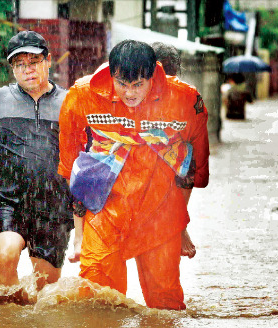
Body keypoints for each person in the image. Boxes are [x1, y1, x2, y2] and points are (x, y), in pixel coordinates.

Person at [58, 40, 210, 310]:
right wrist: (79, 235)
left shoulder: (185, 99)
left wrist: (179, 224)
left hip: (159, 214)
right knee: (98, 304)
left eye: (138, 84)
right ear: (111, 75)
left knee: (166, 309)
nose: (130, 94)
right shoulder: (82, 96)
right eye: (122, 83)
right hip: (105, 211)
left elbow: (191, 167)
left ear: (154, 77)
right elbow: (72, 167)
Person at [0, 30, 74, 304]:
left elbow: (88, 151)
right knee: (4, 254)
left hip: (54, 207)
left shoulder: (70, 102)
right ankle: (3, 319)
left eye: (33, 61)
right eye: (19, 64)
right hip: (9, 201)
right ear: (12, 68)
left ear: (48, 61)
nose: (27, 70)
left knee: (46, 295)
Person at [152, 41, 196, 259]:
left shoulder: (183, 96)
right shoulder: (137, 89)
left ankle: (178, 224)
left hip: (167, 157)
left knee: (187, 156)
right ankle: (178, 223)